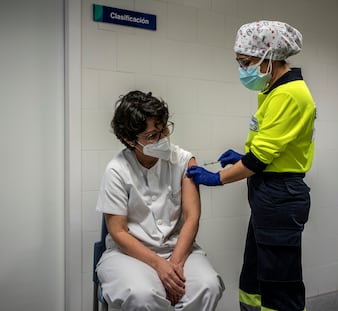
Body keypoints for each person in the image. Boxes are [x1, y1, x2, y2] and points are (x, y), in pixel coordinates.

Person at [187, 21, 316, 311]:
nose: (242, 70)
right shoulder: (272, 91)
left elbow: (258, 160)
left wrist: (217, 178)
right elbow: (269, 147)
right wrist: (243, 155)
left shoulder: (290, 94)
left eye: (245, 62)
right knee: (256, 274)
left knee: (279, 282)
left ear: (268, 57)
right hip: (267, 193)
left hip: (280, 194)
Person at [96, 90, 224, 311]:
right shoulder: (116, 170)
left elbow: (192, 217)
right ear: (130, 140)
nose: (163, 138)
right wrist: (158, 265)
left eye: (164, 128)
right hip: (129, 253)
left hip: (178, 249)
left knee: (208, 285)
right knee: (141, 295)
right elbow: (117, 231)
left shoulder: (184, 160)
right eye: (152, 136)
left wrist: (173, 265)